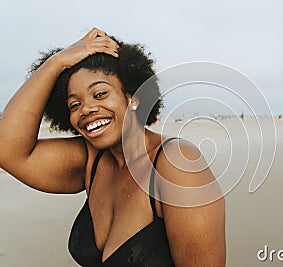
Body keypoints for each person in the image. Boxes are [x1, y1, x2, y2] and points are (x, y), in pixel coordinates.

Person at [0, 28, 226, 266]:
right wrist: (56, 62)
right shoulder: (92, 161)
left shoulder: (175, 164)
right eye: (74, 104)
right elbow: (7, 149)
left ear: (133, 97)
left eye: (99, 94)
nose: (86, 109)